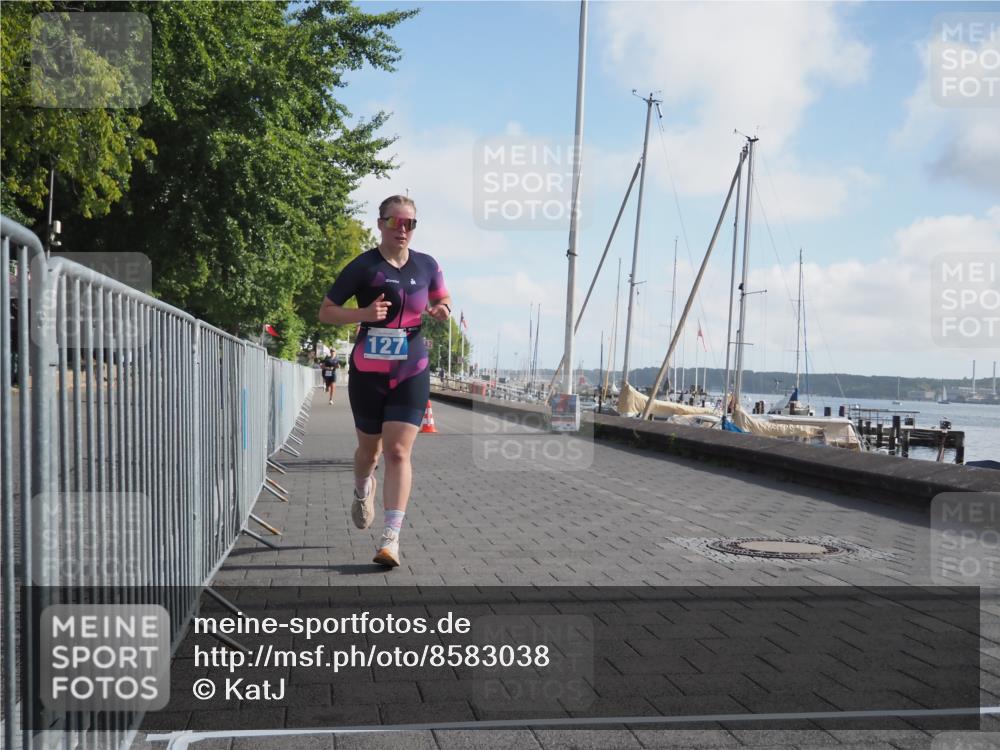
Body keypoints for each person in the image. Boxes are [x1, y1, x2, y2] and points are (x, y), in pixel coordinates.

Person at [318, 195, 451, 568]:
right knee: (370, 453)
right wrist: (363, 312)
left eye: (410, 223)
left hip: (411, 365)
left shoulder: (427, 265)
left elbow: (443, 297)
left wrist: (442, 309)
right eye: (396, 222)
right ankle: (363, 487)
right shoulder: (364, 266)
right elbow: (325, 312)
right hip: (369, 370)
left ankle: (391, 538)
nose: (403, 230)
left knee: (398, 452)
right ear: (381, 224)